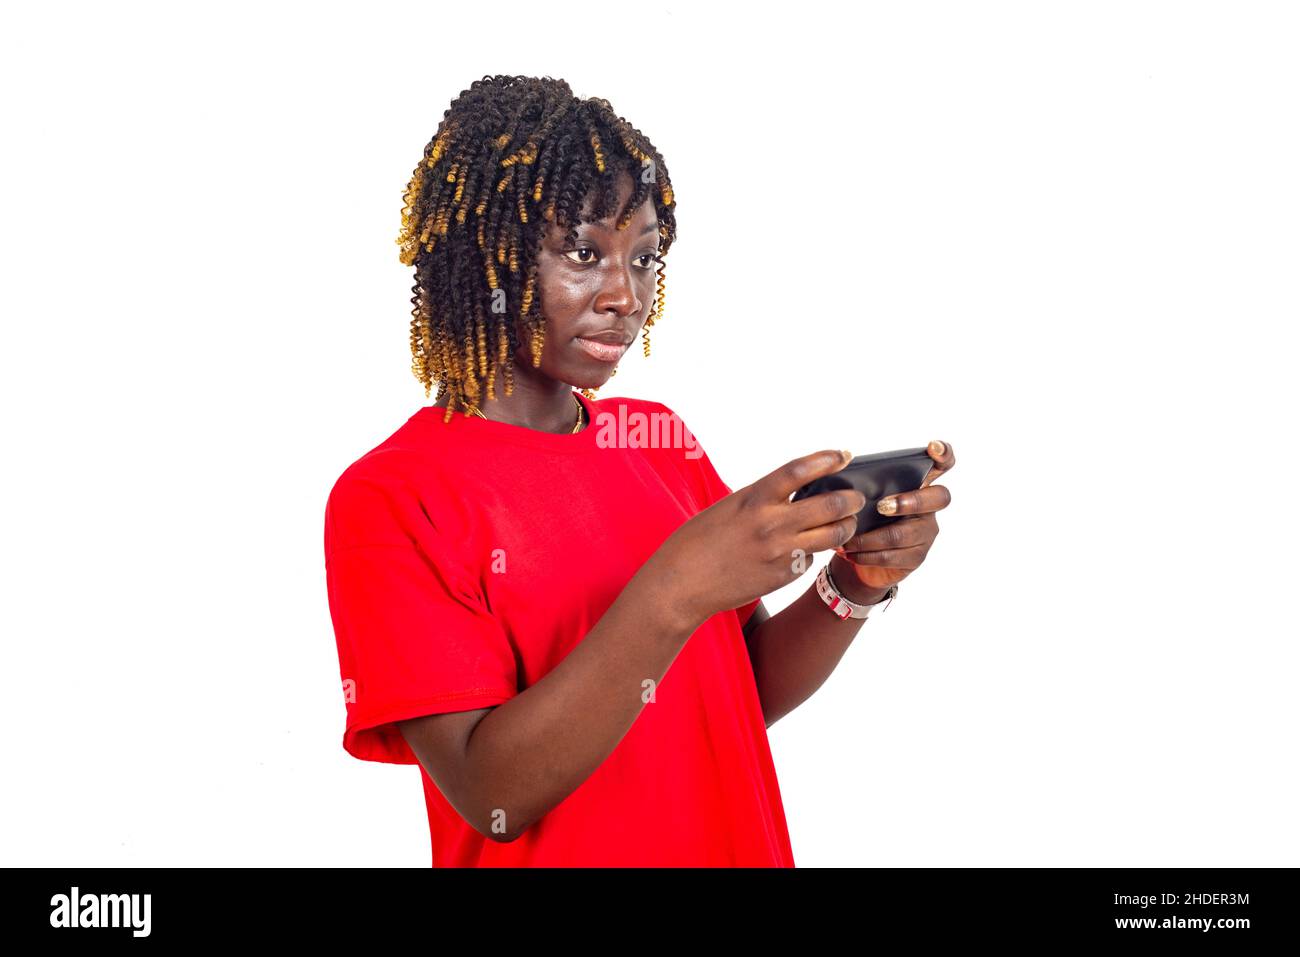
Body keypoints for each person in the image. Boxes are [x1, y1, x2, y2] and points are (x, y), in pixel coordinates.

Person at [323, 74, 956, 867]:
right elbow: (493, 793)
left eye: (646, 257)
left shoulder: (657, 441)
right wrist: (674, 588)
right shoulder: (391, 496)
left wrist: (851, 587)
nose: (625, 295)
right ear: (484, 253)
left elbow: (732, 694)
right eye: (584, 253)